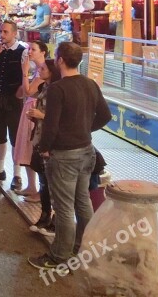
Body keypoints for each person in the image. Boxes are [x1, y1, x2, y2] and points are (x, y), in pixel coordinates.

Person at [28, 42, 111, 273]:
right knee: (82, 201)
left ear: (61, 60)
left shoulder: (58, 89)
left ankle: (58, 256)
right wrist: (84, 129)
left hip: (64, 155)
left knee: (64, 207)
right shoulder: (90, 84)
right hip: (87, 151)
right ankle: (84, 247)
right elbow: (106, 115)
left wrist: (44, 148)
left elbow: (51, 125)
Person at [0, 20, 27, 190]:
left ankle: (17, 174)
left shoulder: (22, 52)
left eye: (6, 32)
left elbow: (26, 75)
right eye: (1, 31)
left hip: (13, 100)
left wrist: (21, 92)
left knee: (15, 137)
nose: (2, 34)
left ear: (15, 33)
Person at [26, 59, 60, 237]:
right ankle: (45, 215)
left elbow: (58, 118)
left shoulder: (57, 90)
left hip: (49, 141)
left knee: (51, 183)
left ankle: (54, 221)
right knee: (43, 181)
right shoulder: (45, 88)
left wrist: (41, 115)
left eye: (43, 68)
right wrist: (35, 117)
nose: (40, 70)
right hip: (38, 137)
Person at [13, 41, 50, 201]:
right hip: (29, 109)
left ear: (43, 52)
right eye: (29, 49)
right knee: (27, 148)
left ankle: (38, 191)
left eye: (33, 49)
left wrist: (24, 72)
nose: (29, 52)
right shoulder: (37, 70)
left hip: (34, 112)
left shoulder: (43, 71)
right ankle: (31, 186)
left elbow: (28, 91)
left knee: (31, 147)